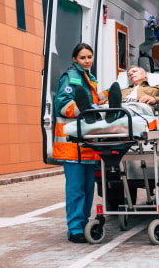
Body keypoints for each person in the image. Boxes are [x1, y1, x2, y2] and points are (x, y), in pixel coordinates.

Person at [53, 43, 103, 243]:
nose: (87, 61)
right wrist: (83, 109)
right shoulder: (70, 77)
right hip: (71, 144)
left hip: (88, 144)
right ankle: (74, 229)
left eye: (89, 57)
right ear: (75, 59)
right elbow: (63, 106)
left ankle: (83, 224)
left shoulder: (90, 79)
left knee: (88, 188)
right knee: (76, 190)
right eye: (83, 58)